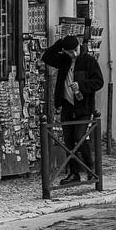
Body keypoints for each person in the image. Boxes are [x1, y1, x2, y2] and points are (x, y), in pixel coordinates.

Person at [42, 34, 104, 184]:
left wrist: (82, 86)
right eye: (70, 52)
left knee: (80, 137)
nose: (73, 54)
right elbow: (46, 57)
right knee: (68, 142)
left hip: (83, 107)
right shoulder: (64, 61)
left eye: (75, 50)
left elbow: (99, 82)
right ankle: (73, 173)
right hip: (67, 106)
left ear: (79, 47)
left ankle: (91, 168)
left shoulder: (89, 61)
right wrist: (60, 43)